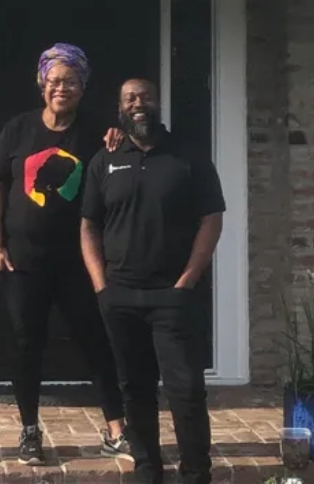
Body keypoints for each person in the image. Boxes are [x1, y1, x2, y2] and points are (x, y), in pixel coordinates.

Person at [0, 43, 129, 466]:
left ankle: (116, 428)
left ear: (83, 87)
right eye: (54, 81)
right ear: (41, 84)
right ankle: (30, 430)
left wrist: (118, 138)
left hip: (77, 261)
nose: (60, 88)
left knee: (95, 340)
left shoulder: (98, 132)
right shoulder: (18, 129)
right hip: (23, 261)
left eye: (70, 81)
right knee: (27, 343)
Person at [80, 78, 226, 484]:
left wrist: (187, 280)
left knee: (186, 391)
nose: (138, 104)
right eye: (129, 99)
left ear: (157, 103)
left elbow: (211, 219)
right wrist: (101, 286)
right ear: (120, 107)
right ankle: (147, 468)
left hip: (172, 296)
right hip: (120, 295)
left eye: (144, 97)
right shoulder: (105, 160)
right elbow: (89, 225)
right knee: (135, 388)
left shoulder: (188, 156)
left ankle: (196, 472)